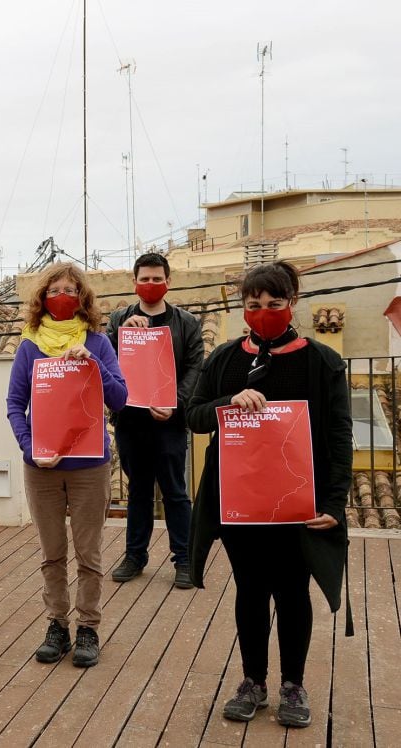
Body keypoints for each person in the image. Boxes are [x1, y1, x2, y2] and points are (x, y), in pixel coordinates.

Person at [186, 261, 351, 729]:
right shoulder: (224, 359)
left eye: (274, 305)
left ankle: (293, 685)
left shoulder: (321, 361)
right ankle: (253, 681)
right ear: (243, 308)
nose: (263, 314)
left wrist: (334, 503)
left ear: (293, 302)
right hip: (242, 504)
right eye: (253, 306)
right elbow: (193, 416)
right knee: (251, 590)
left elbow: (340, 436)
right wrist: (228, 402)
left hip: (298, 503)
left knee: (293, 593)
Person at [5, 262, 127, 669]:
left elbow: (120, 398)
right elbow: (14, 405)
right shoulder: (28, 345)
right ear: (43, 298)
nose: (63, 296)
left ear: (83, 298)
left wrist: (92, 363)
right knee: (52, 553)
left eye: (71, 290)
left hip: (89, 464)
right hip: (41, 467)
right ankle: (57, 624)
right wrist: (28, 448)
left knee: (88, 553)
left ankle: (88, 627)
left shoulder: (98, 342)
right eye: (55, 289)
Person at [106, 252, 203, 588]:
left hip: (170, 421)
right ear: (134, 284)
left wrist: (175, 403)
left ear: (168, 282)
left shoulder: (186, 323)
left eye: (157, 278)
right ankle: (135, 556)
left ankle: (185, 559)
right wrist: (121, 337)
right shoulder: (119, 320)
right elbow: (108, 365)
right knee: (139, 492)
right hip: (131, 420)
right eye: (144, 279)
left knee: (175, 491)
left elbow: (194, 367)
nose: (151, 284)